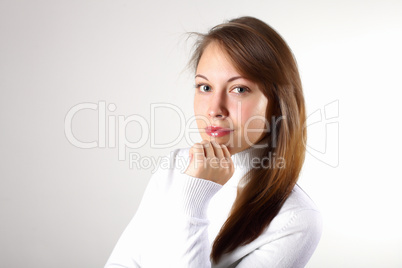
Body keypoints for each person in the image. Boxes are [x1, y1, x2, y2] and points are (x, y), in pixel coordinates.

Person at [105, 16, 322, 268]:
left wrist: (193, 200)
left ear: (277, 103)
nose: (214, 109)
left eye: (239, 89)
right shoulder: (176, 165)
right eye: (205, 87)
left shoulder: (296, 219)